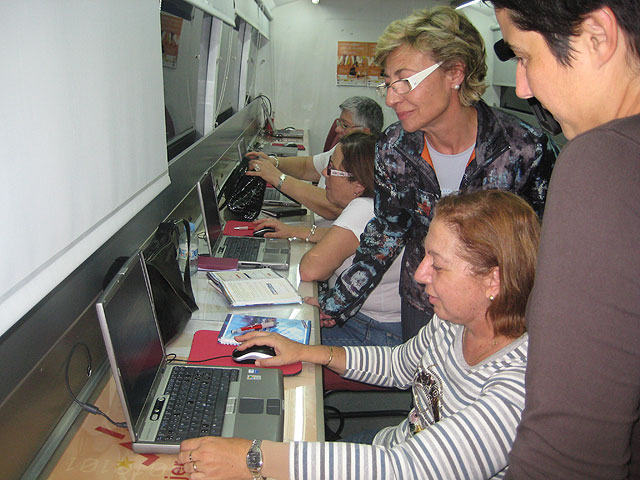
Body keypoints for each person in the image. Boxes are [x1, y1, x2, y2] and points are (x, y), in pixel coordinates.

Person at [177, 190, 541, 479]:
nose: (420, 274)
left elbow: (408, 470)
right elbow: (400, 364)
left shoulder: (519, 389)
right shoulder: (453, 321)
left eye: (439, 265)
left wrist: (253, 458)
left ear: (493, 280)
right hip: (391, 449)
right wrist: (307, 351)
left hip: (399, 464)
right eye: (425, 257)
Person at [317, 7, 558, 342]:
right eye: (387, 84)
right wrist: (335, 304)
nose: (390, 98)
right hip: (423, 303)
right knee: (425, 391)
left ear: (454, 73)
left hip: (499, 314)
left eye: (403, 81)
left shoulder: (524, 150)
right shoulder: (393, 147)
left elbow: (546, 250)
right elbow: (386, 233)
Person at [486, 1, 640, 478]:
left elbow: (566, 459)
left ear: (597, 36)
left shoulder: (604, 162)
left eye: (525, 57)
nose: (522, 87)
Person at [251, 132, 403, 347]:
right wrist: (297, 231)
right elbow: (352, 240)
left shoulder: (363, 208)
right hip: (376, 324)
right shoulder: (382, 204)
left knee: (271, 338)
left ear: (358, 185)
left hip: (371, 331)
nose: (323, 174)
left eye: (331, 169)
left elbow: (310, 270)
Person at [245, 96, 383, 224]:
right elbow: (306, 167)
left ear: (365, 132)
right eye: (339, 122)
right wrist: (274, 162)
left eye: (345, 125)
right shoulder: (341, 150)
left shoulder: (367, 167)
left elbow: (333, 207)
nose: (337, 129)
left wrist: (277, 177)